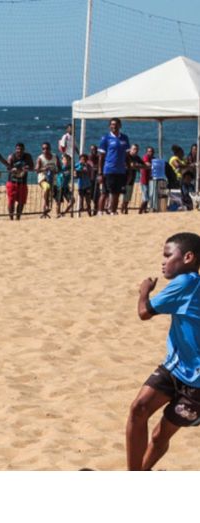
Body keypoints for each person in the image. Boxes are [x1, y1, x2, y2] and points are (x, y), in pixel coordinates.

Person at [127, 232, 200, 471]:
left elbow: (144, 312)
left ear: (188, 257)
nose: (163, 262)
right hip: (175, 367)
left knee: (160, 434)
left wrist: (143, 291)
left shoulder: (186, 282)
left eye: (168, 256)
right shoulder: (191, 283)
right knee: (139, 409)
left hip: (197, 382)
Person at [98, 117, 130, 215]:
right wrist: (100, 173)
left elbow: (127, 155)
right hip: (109, 170)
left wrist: (129, 169)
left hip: (120, 170)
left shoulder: (125, 138)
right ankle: (100, 211)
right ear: (109, 126)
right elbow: (101, 157)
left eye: (116, 124)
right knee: (105, 192)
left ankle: (113, 211)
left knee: (116, 193)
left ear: (120, 126)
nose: (114, 126)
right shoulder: (105, 138)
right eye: (112, 124)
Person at [5, 142, 33, 221]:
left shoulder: (27, 156)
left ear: (24, 150)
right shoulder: (11, 157)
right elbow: (8, 168)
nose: (19, 151)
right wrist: (12, 169)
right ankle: (11, 218)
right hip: (12, 182)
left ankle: (18, 218)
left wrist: (27, 167)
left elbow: (32, 167)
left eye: (21, 149)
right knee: (11, 201)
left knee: (21, 202)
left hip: (23, 183)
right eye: (18, 149)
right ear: (15, 149)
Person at [36, 142, 59, 219]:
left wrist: (55, 170)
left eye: (47, 148)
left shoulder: (55, 157)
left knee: (56, 195)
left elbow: (59, 168)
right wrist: (44, 169)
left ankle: (48, 212)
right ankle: (47, 205)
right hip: (43, 179)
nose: (45, 150)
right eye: (43, 149)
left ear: (50, 149)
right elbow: (37, 170)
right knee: (47, 187)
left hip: (53, 179)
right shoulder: (40, 158)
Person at [122, 144, 144, 214]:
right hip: (123, 178)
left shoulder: (137, 157)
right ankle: (116, 209)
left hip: (131, 179)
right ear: (130, 149)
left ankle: (125, 208)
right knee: (117, 194)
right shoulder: (126, 156)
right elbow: (126, 164)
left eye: (137, 149)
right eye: (134, 149)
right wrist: (132, 165)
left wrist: (137, 165)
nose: (136, 151)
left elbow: (143, 164)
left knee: (128, 195)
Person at [139, 146, 155, 214]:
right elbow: (147, 164)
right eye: (149, 151)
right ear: (146, 152)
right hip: (144, 180)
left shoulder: (153, 158)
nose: (150, 153)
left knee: (148, 196)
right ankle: (140, 211)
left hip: (150, 180)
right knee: (145, 198)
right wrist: (154, 166)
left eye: (151, 151)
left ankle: (144, 210)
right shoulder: (146, 157)